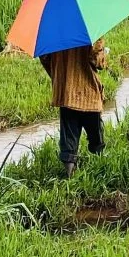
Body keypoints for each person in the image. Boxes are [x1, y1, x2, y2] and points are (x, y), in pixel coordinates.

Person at [39, 39, 108, 177]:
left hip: (67, 93)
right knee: (96, 136)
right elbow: (98, 62)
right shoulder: (89, 32)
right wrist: (103, 52)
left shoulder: (53, 33)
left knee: (69, 137)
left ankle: (69, 175)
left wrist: (60, 77)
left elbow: (45, 58)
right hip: (89, 93)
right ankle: (101, 168)